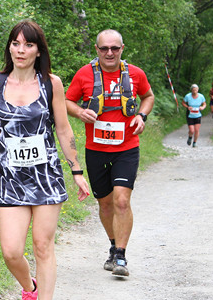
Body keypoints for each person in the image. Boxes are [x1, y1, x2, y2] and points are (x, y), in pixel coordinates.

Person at [0, 19, 90, 300]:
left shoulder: (51, 83)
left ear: (39, 51)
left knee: (42, 245)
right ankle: (29, 288)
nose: (20, 50)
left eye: (28, 45)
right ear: (9, 47)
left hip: (46, 176)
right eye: (16, 44)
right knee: (11, 251)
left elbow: (63, 128)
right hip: (11, 178)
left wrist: (76, 170)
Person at [64, 29, 154, 278]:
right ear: (97, 50)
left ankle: (121, 255)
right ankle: (114, 247)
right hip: (96, 150)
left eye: (115, 48)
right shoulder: (84, 74)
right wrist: (79, 112)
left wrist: (141, 115)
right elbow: (67, 101)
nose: (110, 53)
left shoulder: (135, 74)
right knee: (104, 203)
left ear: (122, 49)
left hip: (127, 148)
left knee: (121, 201)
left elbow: (148, 96)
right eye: (104, 48)